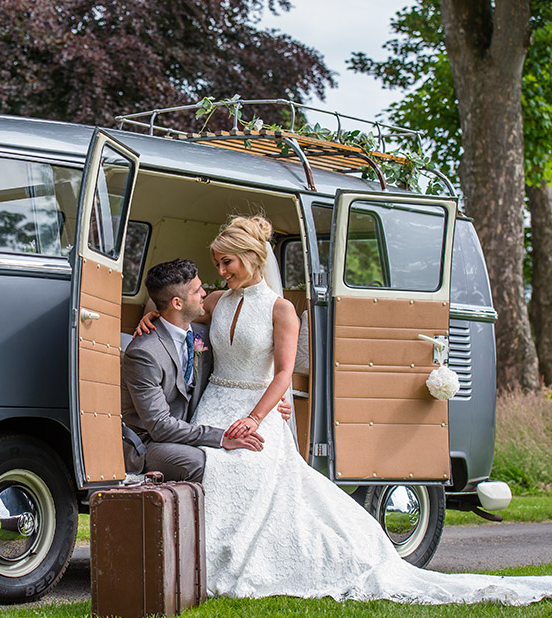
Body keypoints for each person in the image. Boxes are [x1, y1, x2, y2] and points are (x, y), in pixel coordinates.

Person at [192, 215, 552, 604]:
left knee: (244, 472)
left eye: (227, 262)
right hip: (215, 402)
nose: (221, 271)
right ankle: (196, 563)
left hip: (256, 408)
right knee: (204, 467)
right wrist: (150, 316)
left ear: (252, 257)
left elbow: (282, 375)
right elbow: (176, 312)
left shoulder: (281, 310)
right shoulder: (214, 301)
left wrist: (254, 418)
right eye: (218, 264)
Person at [120, 259, 291, 483]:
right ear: (177, 303)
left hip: (189, 428)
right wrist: (222, 438)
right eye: (197, 290)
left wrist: (275, 399)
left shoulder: (204, 335)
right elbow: (160, 427)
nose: (204, 293)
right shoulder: (144, 353)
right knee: (203, 462)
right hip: (148, 443)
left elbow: (242, 366)